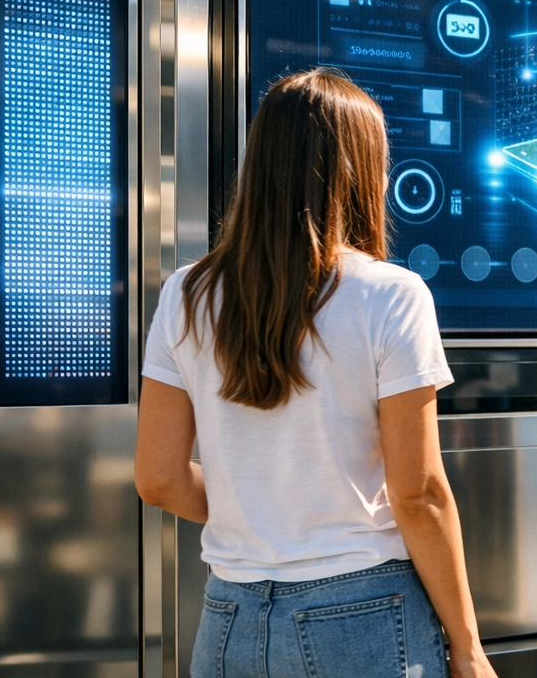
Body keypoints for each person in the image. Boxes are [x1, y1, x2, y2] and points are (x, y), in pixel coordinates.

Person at [134, 70, 496, 678]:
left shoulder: (187, 294)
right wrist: (468, 646)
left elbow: (158, 479)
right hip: (362, 614)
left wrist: (261, 506)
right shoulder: (392, 295)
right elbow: (418, 496)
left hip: (228, 618)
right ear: (360, 171)